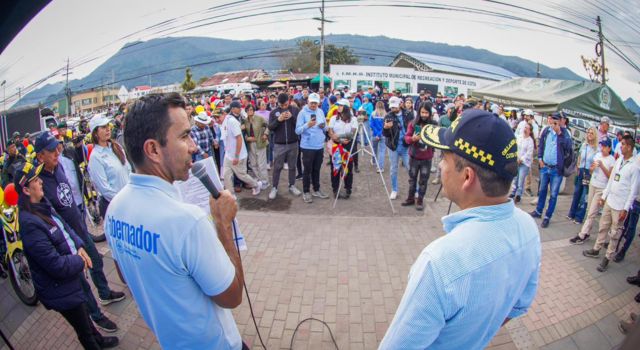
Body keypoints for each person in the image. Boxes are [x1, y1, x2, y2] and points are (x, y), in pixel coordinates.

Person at [380, 109, 541, 349]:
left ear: (467, 176)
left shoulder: (439, 263)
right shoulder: (528, 228)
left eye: (444, 159)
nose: (440, 166)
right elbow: (518, 306)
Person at [106, 93, 248, 349]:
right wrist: (223, 224)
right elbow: (232, 296)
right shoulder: (187, 221)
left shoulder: (114, 210)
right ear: (153, 149)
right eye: (184, 136)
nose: (193, 146)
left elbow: (127, 276)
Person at [16, 162, 119, 349]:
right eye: (35, 181)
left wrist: (79, 246)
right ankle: (94, 343)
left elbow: (64, 226)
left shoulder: (41, 204)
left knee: (85, 318)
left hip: (70, 273)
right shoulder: (30, 224)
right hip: (59, 286)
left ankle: (99, 340)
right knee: (83, 328)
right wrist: (79, 260)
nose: (40, 182)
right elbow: (54, 264)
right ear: (25, 190)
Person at [34, 132, 124, 330]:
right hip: (66, 240)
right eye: (51, 150)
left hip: (80, 229)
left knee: (97, 262)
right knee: (82, 282)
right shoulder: (38, 180)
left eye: (57, 147)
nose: (57, 152)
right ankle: (96, 315)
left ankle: (105, 292)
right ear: (40, 156)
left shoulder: (58, 167)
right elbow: (50, 215)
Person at [583, 135, 640, 272]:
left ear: (630, 147)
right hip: (610, 200)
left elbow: (633, 191)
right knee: (603, 226)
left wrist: (625, 209)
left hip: (620, 206)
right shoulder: (619, 160)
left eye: (623, 144)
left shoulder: (634, 167)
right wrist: (603, 196)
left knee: (615, 233)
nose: (621, 146)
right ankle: (597, 248)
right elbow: (611, 181)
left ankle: (607, 257)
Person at [530, 113, 573, 228]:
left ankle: (547, 216)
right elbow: (541, 146)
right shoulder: (546, 131)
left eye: (556, 121)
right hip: (545, 167)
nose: (553, 123)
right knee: (542, 190)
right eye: (552, 120)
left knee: (553, 194)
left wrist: (559, 133)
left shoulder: (565, 133)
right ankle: (539, 211)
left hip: (556, 170)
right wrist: (539, 158)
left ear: (560, 121)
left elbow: (568, 147)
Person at [570, 139, 615, 244]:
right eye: (601, 146)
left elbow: (610, 176)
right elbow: (590, 170)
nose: (602, 148)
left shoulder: (611, 160)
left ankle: (582, 234)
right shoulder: (598, 155)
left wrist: (602, 166)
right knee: (589, 210)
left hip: (601, 188)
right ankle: (587, 232)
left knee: (592, 212)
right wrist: (593, 168)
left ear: (609, 148)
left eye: (604, 146)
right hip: (592, 184)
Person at [87, 114, 132, 219]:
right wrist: (124, 201)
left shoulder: (116, 146)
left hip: (128, 200)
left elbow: (128, 170)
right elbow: (105, 189)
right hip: (114, 205)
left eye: (108, 125)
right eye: (103, 127)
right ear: (95, 133)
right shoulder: (95, 157)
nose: (108, 129)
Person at [221, 102, 262, 195]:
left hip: (238, 154)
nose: (240, 109)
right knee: (226, 175)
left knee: (241, 175)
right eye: (238, 107)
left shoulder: (232, 121)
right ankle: (230, 194)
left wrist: (236, 156)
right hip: (229, 154)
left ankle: (256, 185)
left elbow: (239, 139)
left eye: (217, 117)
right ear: (232, 109)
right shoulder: (226, 120)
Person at [295, 93, 329, 203]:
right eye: (312, 102)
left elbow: (325, 127)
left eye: (316, 103)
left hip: (319, 145)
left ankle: (316, 189)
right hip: (307, 146)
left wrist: (324, 126)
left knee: (316, 169)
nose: (314, 105)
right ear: (308, 102)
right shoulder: (302, 113)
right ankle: (306, 191)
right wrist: (307, 125)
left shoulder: (320, 111)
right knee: (307, 170)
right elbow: (297, 130)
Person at [401, 103, 436, 210]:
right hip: (414, 156)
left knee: (423, 181)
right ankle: (410, 198)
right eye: (422, 112)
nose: (424, 115)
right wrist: (412, 139)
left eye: (426, 112)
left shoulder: (434, 124)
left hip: (427, 157)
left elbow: (437, 139)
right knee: (412, 179)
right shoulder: (413, 123)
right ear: (419, 112)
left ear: (430, 113)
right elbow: (406, 137)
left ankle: (420, 200)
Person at [268, 93, 302, 200]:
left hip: (293, 143)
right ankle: (274, 187)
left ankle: (292, 185)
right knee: (277, 167)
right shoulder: (274, 112)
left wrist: (292, 118)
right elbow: (270, 127)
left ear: (289, 101)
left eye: (286, 104)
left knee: (292, 166)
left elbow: (300, 126)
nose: (284, 107)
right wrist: (278, 120)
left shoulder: (295, 110)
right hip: (279, 144)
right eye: (281, 105)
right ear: (278, 103)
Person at [566, 127, 598, 224]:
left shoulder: (596, 149)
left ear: (595, 135)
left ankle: (579, 217)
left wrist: (591, 171)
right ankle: (572, 213)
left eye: (591, 133)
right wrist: (578, 166)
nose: (589, 134)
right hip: (581, 170)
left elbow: (596, 162)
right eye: (588, 132)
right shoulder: (584, 145)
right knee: (576, 193)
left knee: (584, 196)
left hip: (588, 172)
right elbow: (579, 156)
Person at [328, 99, 358, 199]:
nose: (339, 107)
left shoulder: (353, 119)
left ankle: (348, 189)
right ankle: (335, 189)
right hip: (336, 145)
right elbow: (330, 132)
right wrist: (339, 139)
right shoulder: (333, 118)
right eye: (338, 105)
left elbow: (352, 133)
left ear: (346, 107)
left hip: (348, 145)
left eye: (341, 105)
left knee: (348, 168)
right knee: (335, 168)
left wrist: (338, 136)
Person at [383, 97, 412, 200]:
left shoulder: (409, 114)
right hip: (393, 146)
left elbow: (412, 127)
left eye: (395, 106)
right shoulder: (388, 116)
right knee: (393, 169)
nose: (393, 109)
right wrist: (386, 128)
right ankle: (394, 190)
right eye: (392, 107)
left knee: (410, 168)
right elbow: (385, 134)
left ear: (400, 104)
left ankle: (415, 189)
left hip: (405, 145)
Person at [243, 104, 269, 189]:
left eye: (251, 109)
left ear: (254, 110)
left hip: (260, 143)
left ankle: (265, 181)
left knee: (261, 164)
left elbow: (268, 126)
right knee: (253, 164)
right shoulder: (245, 121)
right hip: (251, 144)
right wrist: (247, 138)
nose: (250, 111)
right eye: (248, 110)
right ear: (246, 111)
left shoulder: (259, 118)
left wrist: (265, 134)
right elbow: (244, 133)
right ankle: (259, 180)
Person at [510, 123, 535, 204]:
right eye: (525, 127)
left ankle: (518, 195)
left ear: (530, 131)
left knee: (521, 179)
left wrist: (521, 159)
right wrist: (516, 157)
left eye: (527, 128)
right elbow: (515, 147)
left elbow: (529, 153)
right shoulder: (519, 137)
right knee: (515, 178)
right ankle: (513, 192)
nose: (525, 129)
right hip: (517, 160)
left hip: (525, 163)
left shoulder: (530, 141)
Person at [369, 101, 387, 173]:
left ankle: (373, 161)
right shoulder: (386, 114)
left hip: (374, 134)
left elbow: (371, 125)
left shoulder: (373, 114)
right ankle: (380, 167)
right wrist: (379, 134)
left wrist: (376, 134)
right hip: (383, 134)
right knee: (382, 151)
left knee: (374, 148)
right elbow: (384, 126)